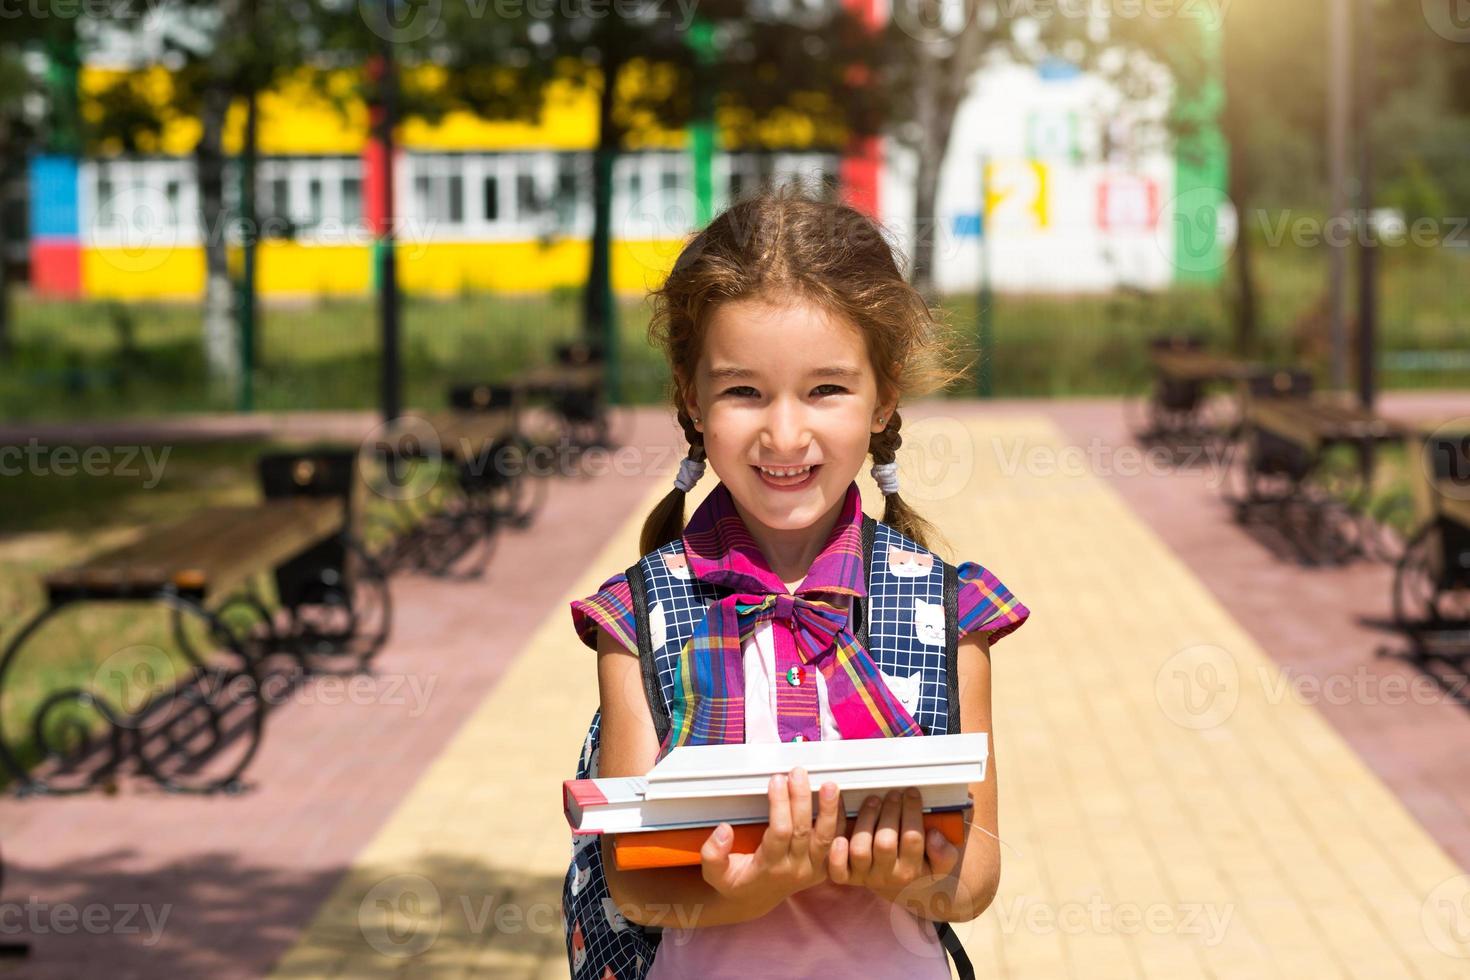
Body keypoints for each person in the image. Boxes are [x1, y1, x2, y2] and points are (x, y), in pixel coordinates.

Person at [568, 186, 1030, 978]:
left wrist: (913, 878)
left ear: (885, 396)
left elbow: (976, 875)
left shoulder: (948, 615)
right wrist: (744, 894)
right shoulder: (639, 617)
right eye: (744, 391)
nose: (785, 433)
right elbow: (635, 880)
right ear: (692, 396)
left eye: (826, 389)